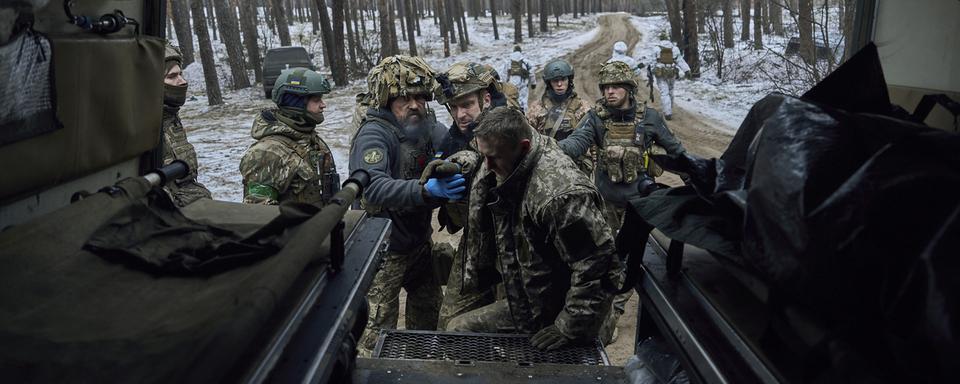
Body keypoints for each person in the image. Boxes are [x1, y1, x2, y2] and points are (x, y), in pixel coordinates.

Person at [445, 107, 623, 351]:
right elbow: (484, 154)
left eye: (494, 158)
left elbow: (599, 267)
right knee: (458, 332)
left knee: (462, 333)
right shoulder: (510, 149)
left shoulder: (561, 196)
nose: (488, 165)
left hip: (568, 312)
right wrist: (458, 165)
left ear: (524, 146)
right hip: (531, 300)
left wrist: (568, 326)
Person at [558, 61, 686, 343]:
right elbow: (576, 144)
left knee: (628, 259)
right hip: (605, 202)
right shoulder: (597, 118)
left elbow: (676, 152)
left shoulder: (649, 118)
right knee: (602, 255)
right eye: (605, 87)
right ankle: (600, 306)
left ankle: (613, 312)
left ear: (629, 88)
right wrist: (549, 149)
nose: (610, 92)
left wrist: (696, 180)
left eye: (616, 86)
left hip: (639, 207)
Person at [349, 55, 467, 357]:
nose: (414, 104)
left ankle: (419, 368)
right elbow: (372, 186)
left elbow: (454, 144)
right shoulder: (375, 133)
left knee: (429, 319)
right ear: (388, 98)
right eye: (404, 97)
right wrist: (424, 191)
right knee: (373, 332)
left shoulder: (425, 125)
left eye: (419, 97)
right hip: (382, 249)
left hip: (417, 243)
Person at [431, 62, 504, 330]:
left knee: (516, 331)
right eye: (453, 107)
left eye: (467, 105)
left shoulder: (510, 132)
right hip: (474, 244)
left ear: (485, 100)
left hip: (516, 247)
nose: (460, 114)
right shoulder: (453, 137)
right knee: (449, 324)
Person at [239, 67, 338, 205]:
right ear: (295, 103)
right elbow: (259, 216)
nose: (323, 105)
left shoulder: (309, 139)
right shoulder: (267, 153)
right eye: (316, 100)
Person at [161, 44, 211, 206]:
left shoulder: (170, 117)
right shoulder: (143, 124)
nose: (182, 81)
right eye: (172, 76)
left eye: (181, 74)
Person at [525, 58, 593, 175]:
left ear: (569, 80)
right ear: (549, 83)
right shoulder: (536, 108)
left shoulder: (582, 107)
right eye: (555, 80)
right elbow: (528, 138)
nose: (559, 84)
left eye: (563, 79)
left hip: (576, 168)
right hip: (546, 167)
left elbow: (592, 142)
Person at [649, 39, 690, 120]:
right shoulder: (675, 49)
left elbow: (652, 62)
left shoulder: (656, 49)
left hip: (660, 73)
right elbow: (680, 61)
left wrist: (651, 71)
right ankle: (669, 109)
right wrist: (687, 70)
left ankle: (667, 112)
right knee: (670, 91)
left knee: (664, 93)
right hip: (671, 73)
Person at [501, 45, 535, 111]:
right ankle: (524, 115)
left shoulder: (508, 62)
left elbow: (504, 74)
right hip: (523, 85)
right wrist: (533, 83)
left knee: (512, 100)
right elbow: (531, 73)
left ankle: (513, 113)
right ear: (520, 51)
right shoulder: (525, 61)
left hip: (511, 85)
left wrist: (504, 85)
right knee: (523, 102)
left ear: (513, 51)